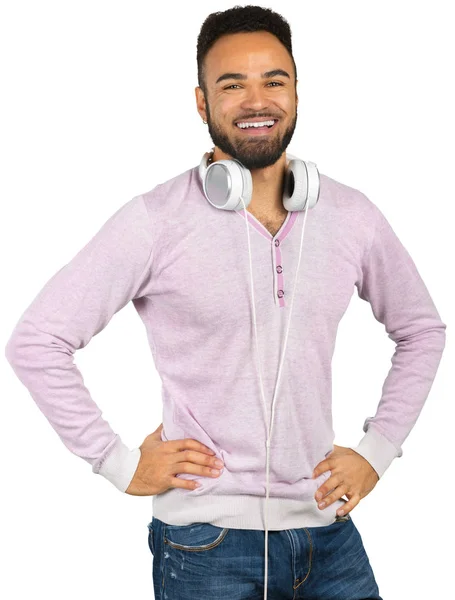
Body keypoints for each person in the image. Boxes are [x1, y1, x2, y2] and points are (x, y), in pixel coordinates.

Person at [4, 5, 446, 600]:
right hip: (206, 546)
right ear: (201, 102)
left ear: (296, 92)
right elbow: (38, 341)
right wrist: (117, 462)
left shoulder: (351, 216)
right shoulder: (155, 221)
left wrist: (377, 451)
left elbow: (422, 329)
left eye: (274, 80)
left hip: (330, 532)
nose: (256, 100)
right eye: (232, 84)